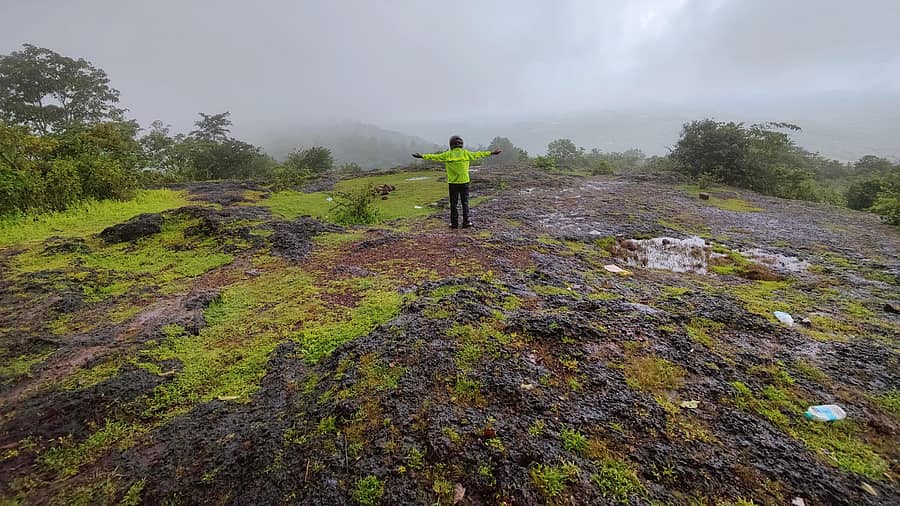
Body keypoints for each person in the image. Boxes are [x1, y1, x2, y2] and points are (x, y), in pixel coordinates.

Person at [413, 135, 501, 229]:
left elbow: (434, 157)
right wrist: (492, 153)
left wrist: (422, 156)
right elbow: (480, 154)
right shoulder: (466, 153)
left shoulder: (447, 154)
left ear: (451, 144)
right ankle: (466, 222)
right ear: (461, 144)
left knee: (453, 204)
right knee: (465, 203)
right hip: (464, 182)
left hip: (453, 184)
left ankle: (454, 224)